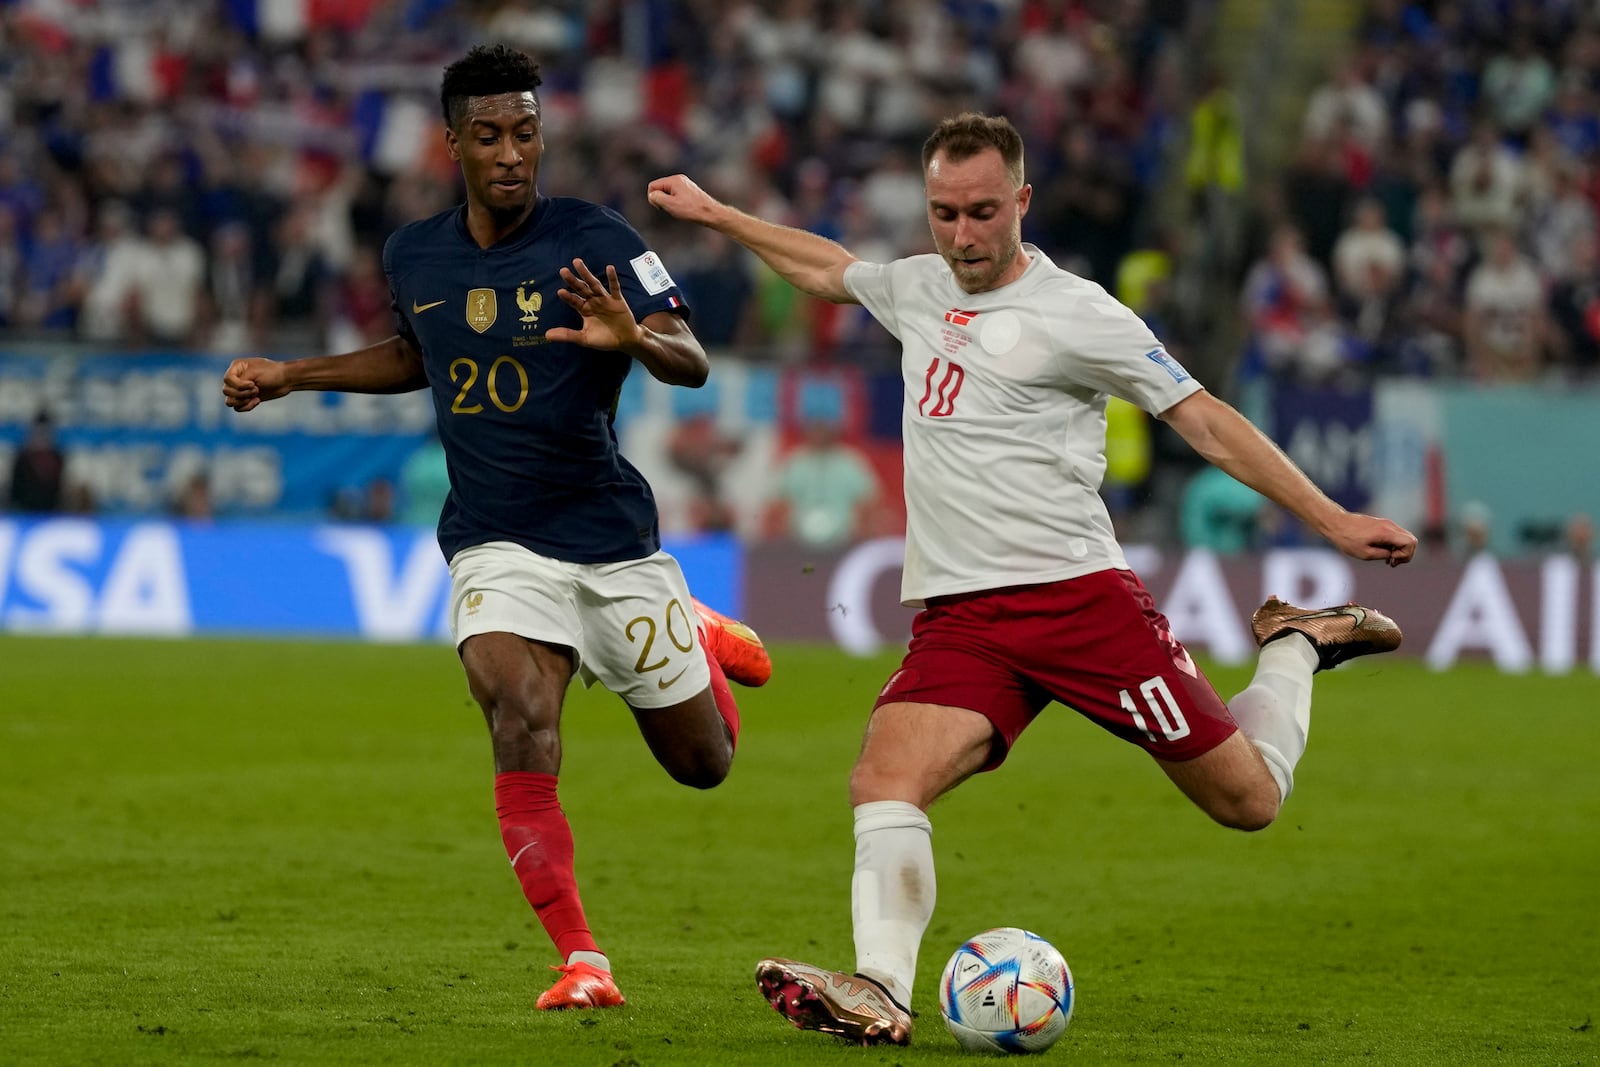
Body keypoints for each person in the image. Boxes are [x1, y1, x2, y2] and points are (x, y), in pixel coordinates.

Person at [648, 112, 1418, 1046]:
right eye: (943, 214)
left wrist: (1331, 519)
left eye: (981, 213)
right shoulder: (919, 285)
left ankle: (1296, 642)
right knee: (883, 780)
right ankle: (880, 987)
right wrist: (722, 216)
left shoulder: (1078, 313)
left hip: (1078, 601)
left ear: (1020, 201)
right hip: (962, 618)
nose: (963, 237)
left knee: (1248, 801)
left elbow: (1205, 419)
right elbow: (827, 267)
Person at [221, 44, 772, 1013]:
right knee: (517, 712)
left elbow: (691, 361)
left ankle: (698, 630)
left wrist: (633, 336)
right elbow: (414, 355)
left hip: (609, 536)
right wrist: (290, 374)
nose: (511, 153)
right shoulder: (414, 253)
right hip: (494, 539)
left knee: (705, 765)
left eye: (525, 132)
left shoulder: (595, 237)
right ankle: (582, 959)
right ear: (453, 144)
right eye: (489, 136)